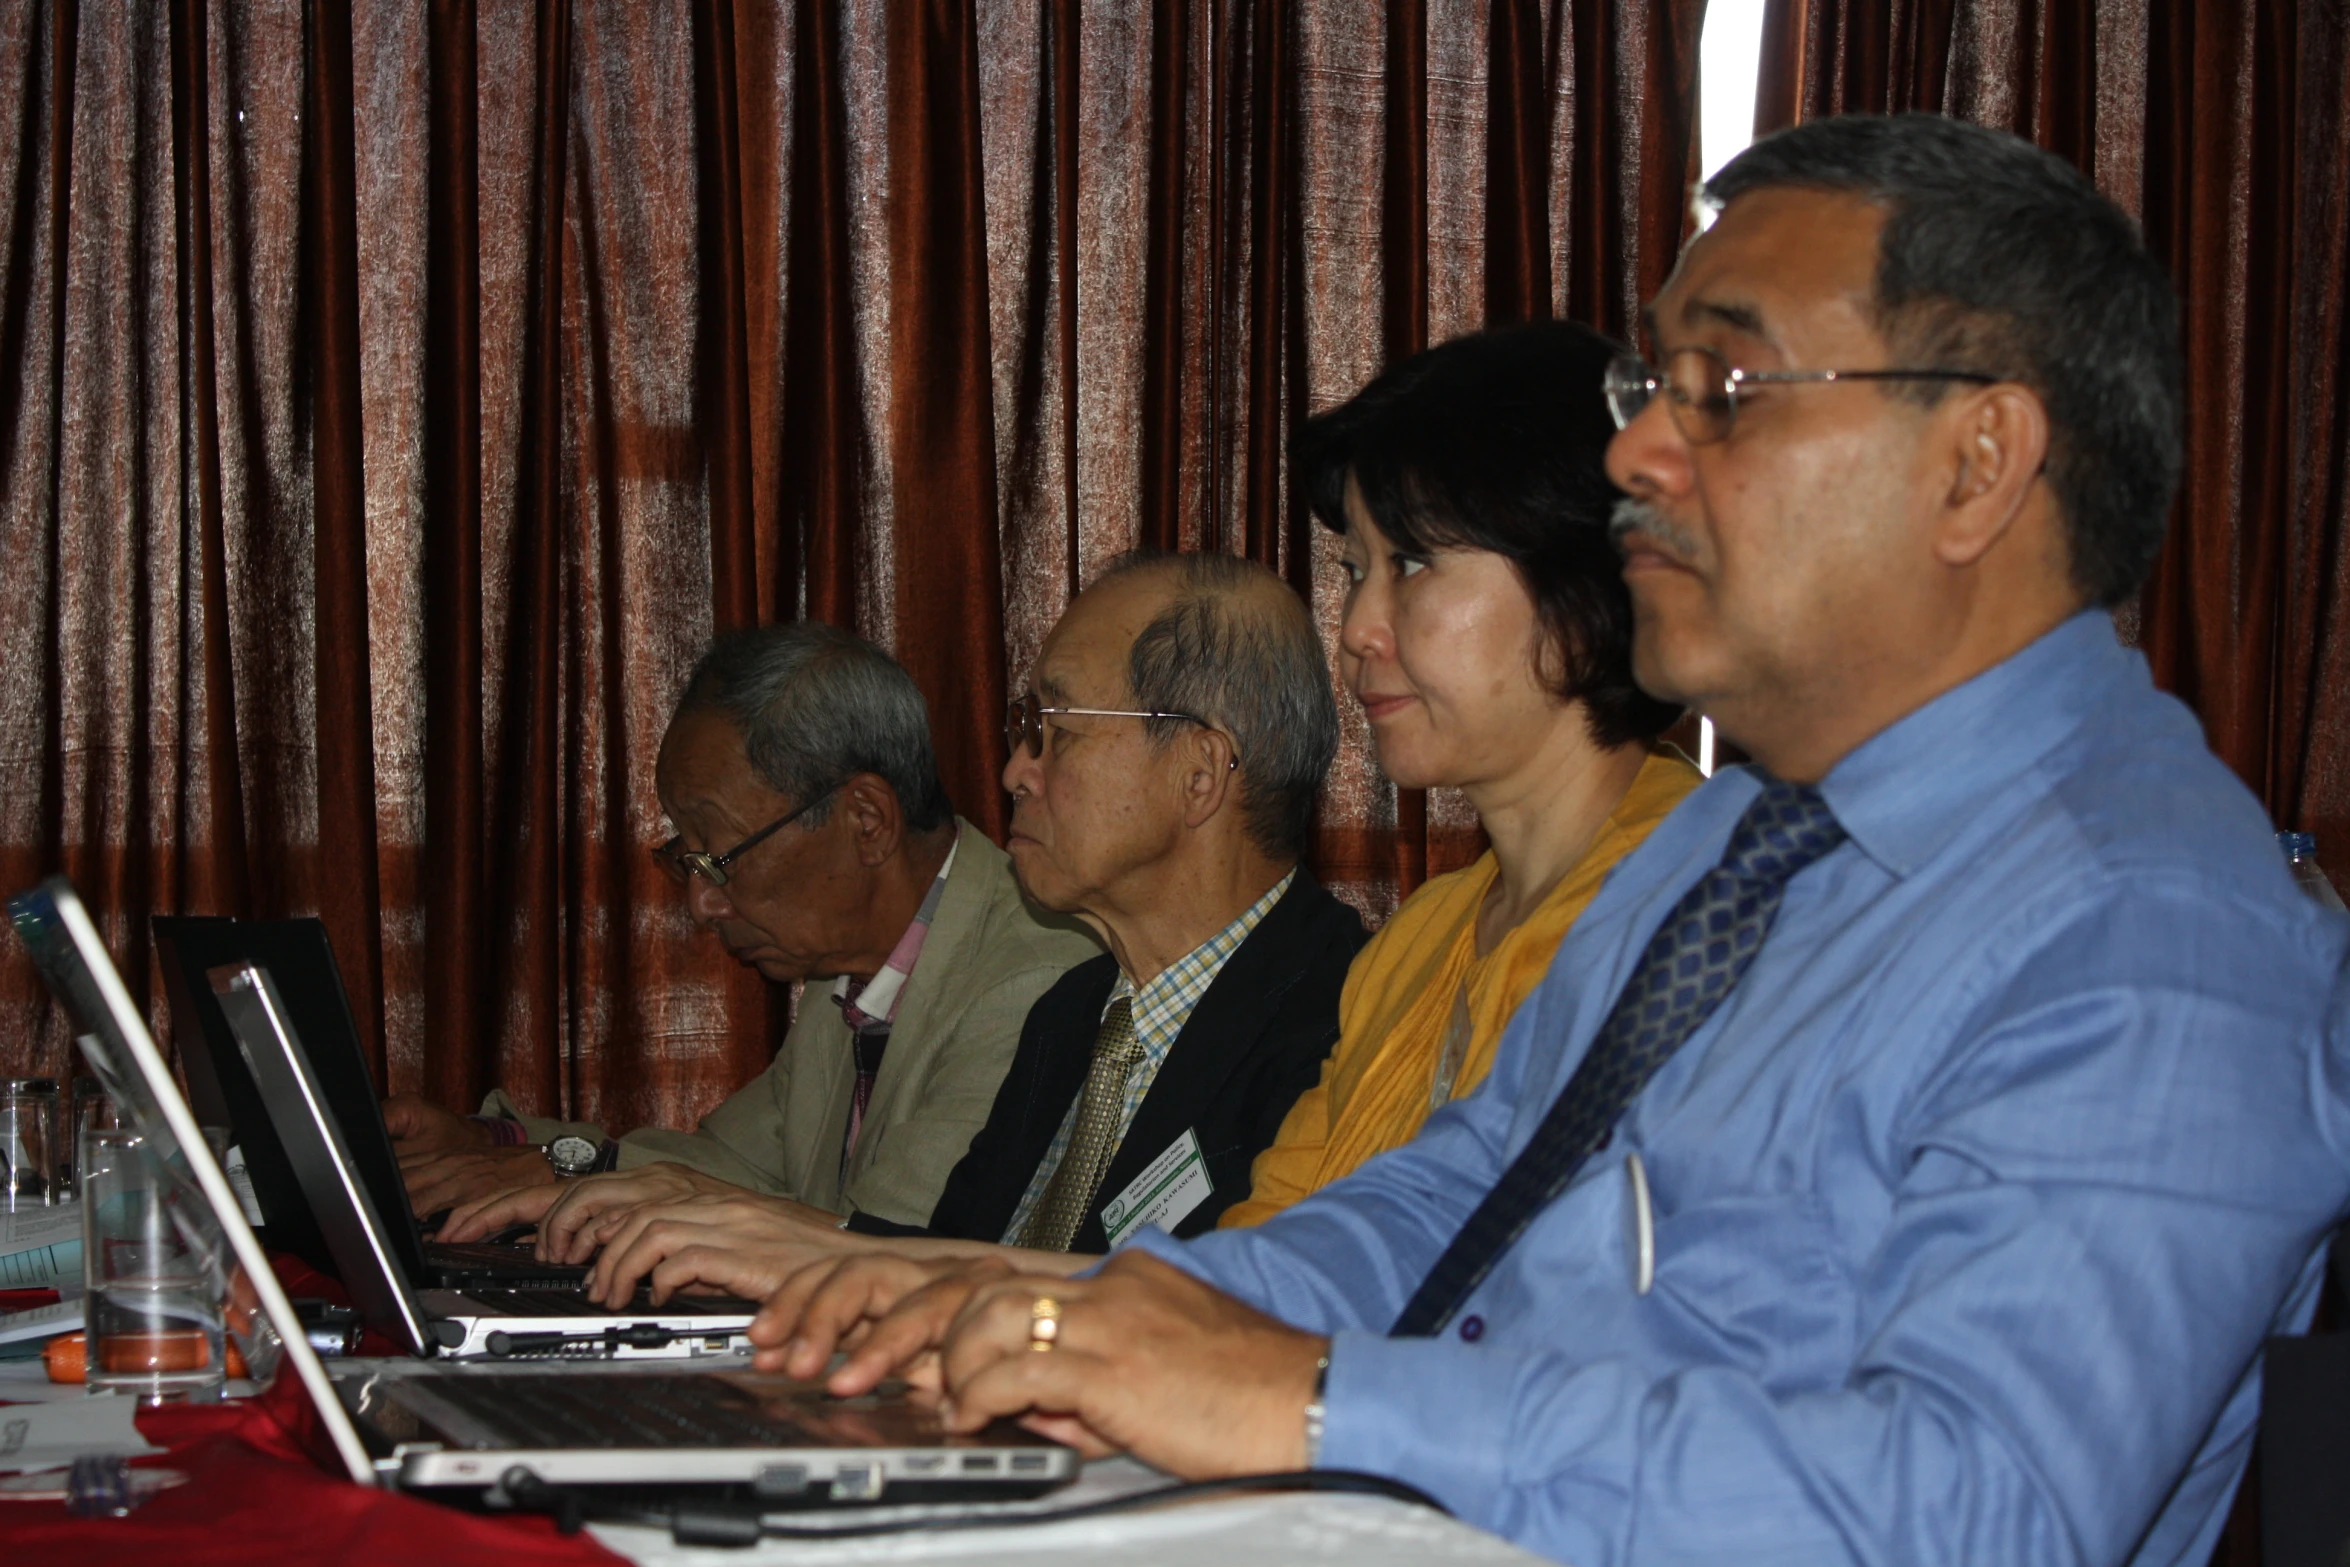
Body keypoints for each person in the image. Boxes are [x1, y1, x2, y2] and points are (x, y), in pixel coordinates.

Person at [748, 113, 2350, 1567]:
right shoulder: (1737, 844)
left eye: (1718, 391)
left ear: (1974, 461)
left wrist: (1314, 1400)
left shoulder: (2154, 932)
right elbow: (1464, 1187)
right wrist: (1081, 1312)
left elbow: (1973, 1505)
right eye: (1642, 394)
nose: (1639, 456)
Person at [450, 551, 1367, 1302]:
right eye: (1022, 728)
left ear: (1201, 773)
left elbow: (1200, 1329)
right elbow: (950, 1255)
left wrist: (809, 1244)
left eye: (1054, 729)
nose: (1014, 771)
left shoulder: (1339, 1020)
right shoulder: (1076, 1014)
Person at [1222, 318, 1699, 1229]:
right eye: (1355, 571)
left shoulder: (1695, 911)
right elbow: (1269, 1247)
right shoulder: (1420, 938)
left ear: (1584, 580)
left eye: (1412, 564)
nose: (1359, 626)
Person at [399, 622, 1099, 1228]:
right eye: (688, 858)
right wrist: (494, 1142)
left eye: (720, 855)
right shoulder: (856, 968)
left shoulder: (1033, 980)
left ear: (866, 820)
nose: (701, 901)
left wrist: (564, 1180)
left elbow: (883, 1246)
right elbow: (732, 1165)